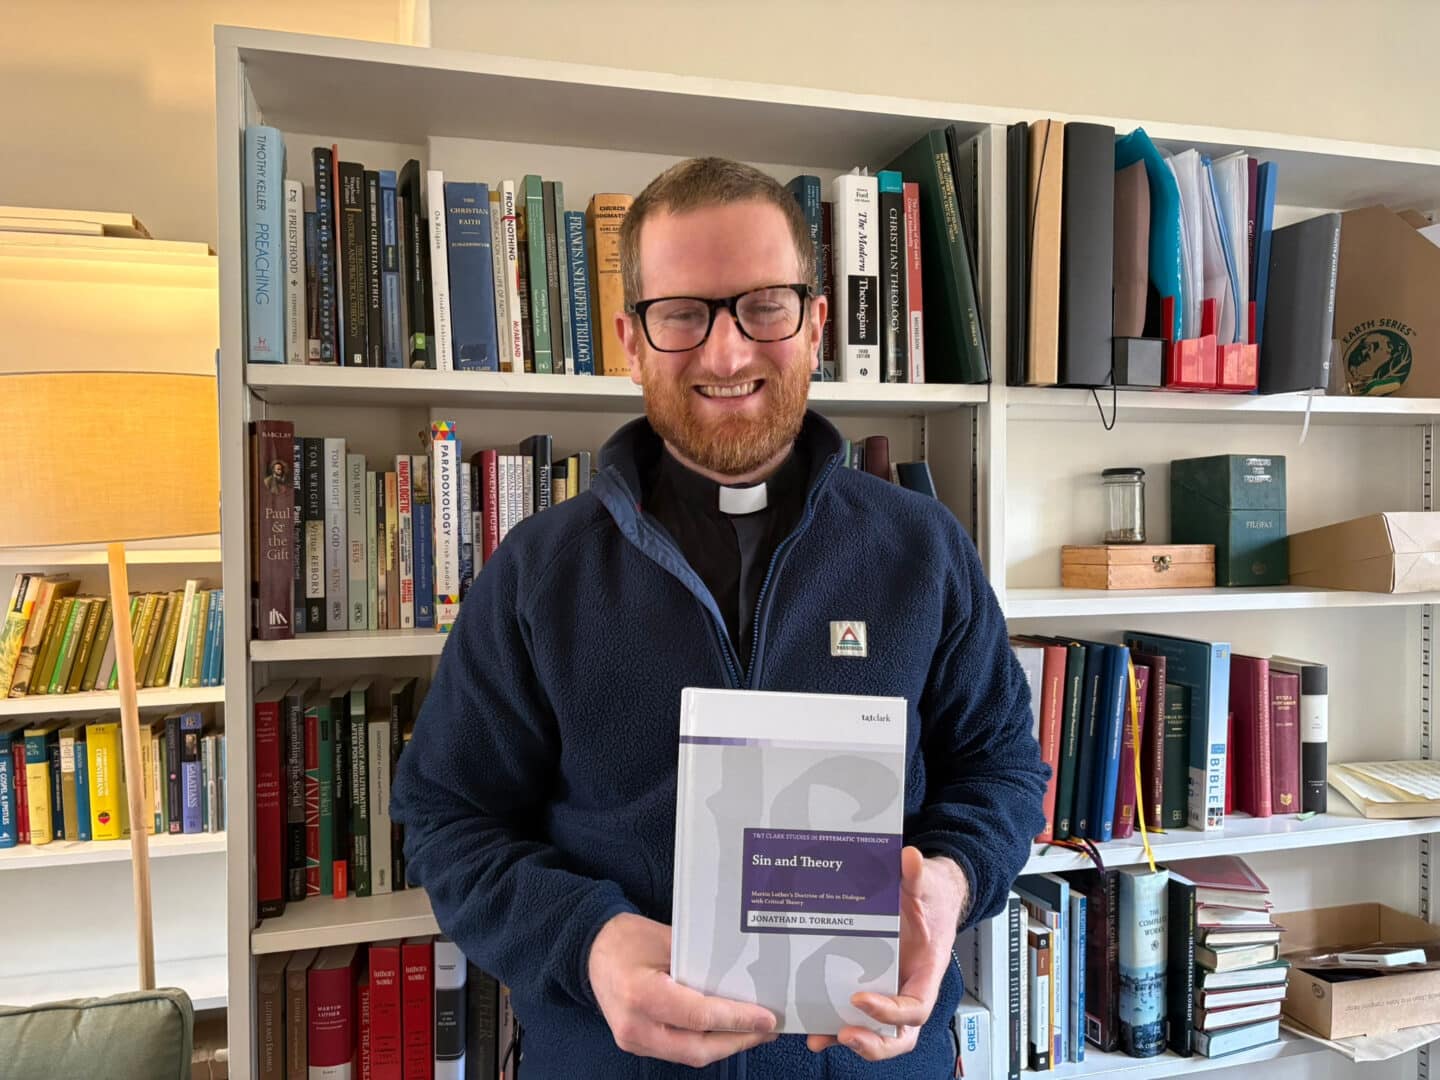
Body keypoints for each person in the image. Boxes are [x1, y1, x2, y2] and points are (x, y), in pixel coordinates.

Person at [390, 157, 1047, 1078]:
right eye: (683, 314)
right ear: (629, 340)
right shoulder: (537, 572)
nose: (728, 352)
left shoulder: (921, 548)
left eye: (764, 305)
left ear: (817, 323)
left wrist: (954, 879)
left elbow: (1002, 770)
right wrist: (590, 942)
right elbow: (447, 818)